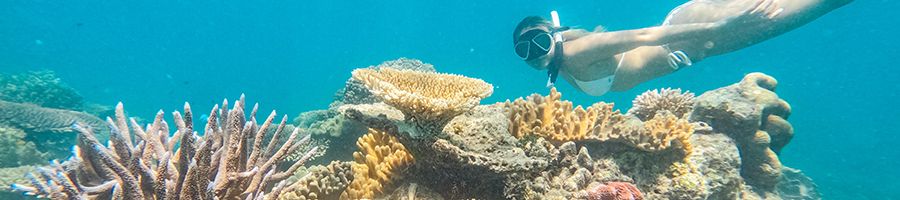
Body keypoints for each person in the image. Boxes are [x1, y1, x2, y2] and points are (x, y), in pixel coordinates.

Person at [513, 0, 852, 96]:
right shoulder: (569, 48)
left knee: (791, 13)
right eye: (524, 52)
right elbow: (583, 36)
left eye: (539, 44)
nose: (536, 56)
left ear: (553, 38)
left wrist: (723, 27)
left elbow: (647, 36)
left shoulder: (578, 52)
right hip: (692, 39)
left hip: (688, 34)